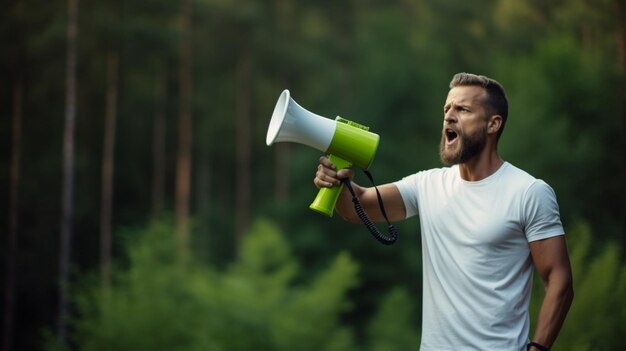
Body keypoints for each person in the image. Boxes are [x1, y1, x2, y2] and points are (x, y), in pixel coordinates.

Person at [313, 73, 574, 351]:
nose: (449, 116)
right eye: (446, 109)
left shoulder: (529, 192)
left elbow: (559, 280)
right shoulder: (428, 184)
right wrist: (337, 183)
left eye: (462, 109)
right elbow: (358, 207)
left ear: (493, 124)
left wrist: (538, 349)